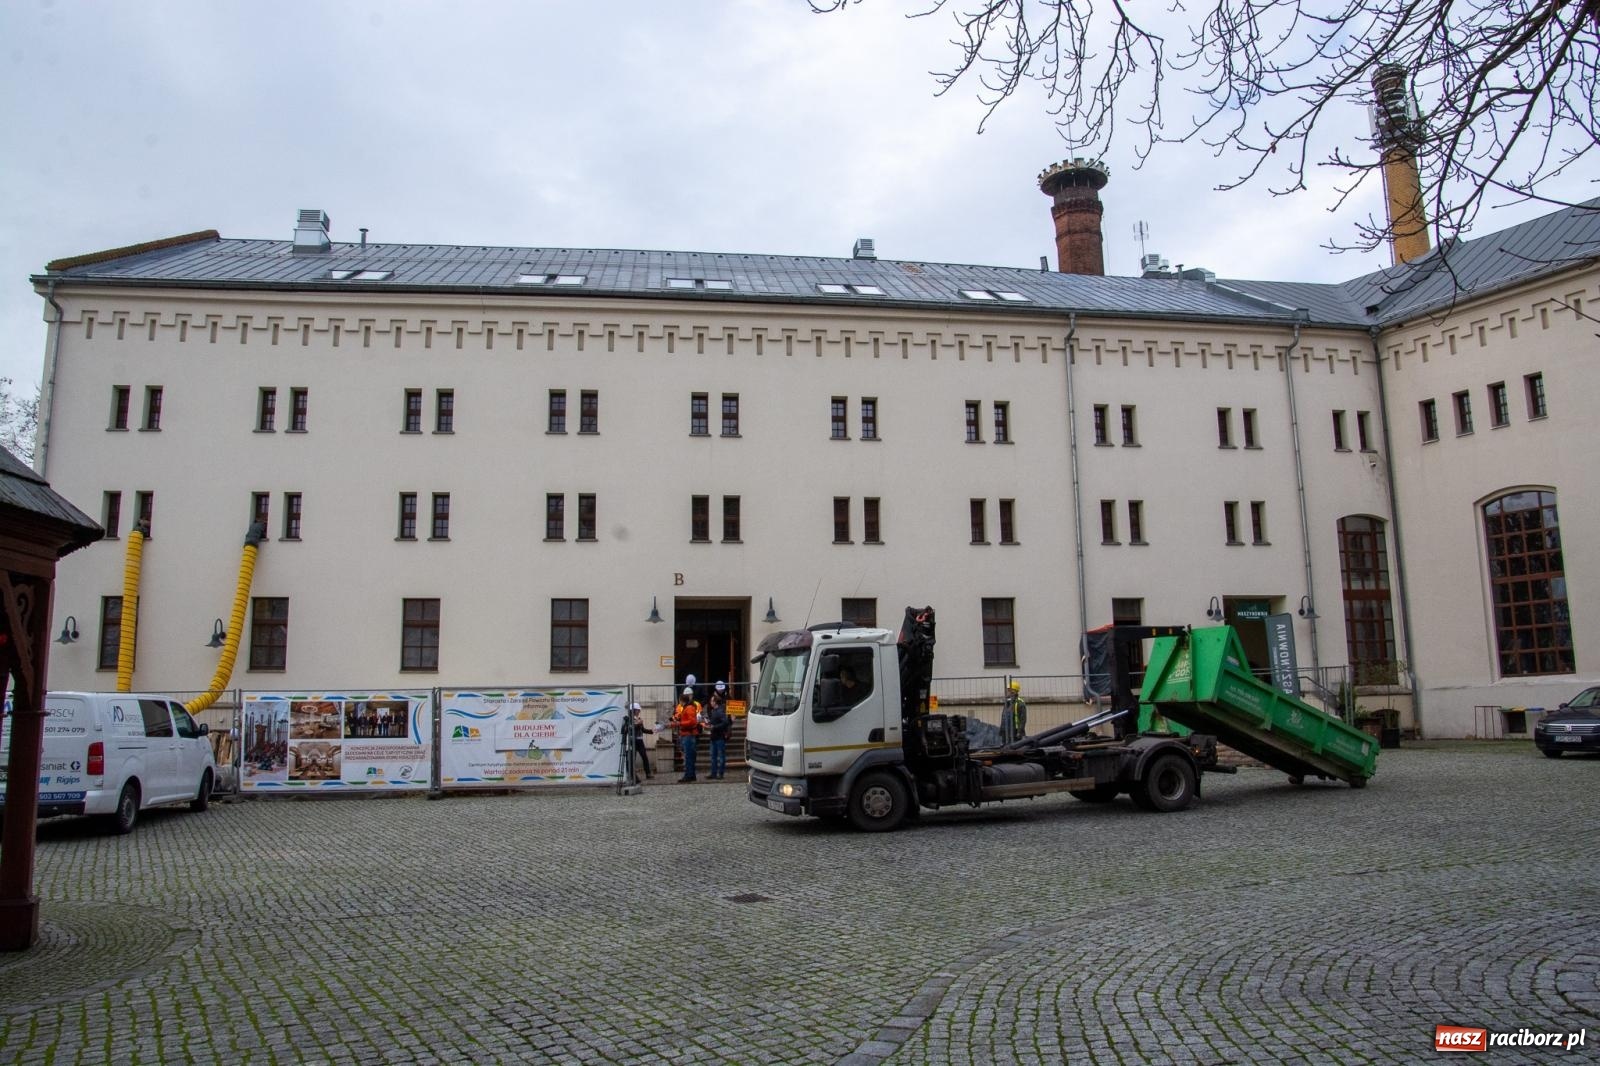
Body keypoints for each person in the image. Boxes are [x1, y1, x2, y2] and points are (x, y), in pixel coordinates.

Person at [672, 687, 703, 782]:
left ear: (682, 700)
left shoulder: (689, 708)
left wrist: (680, 723)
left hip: (688, 735)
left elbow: (692, 722)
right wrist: (678, 719)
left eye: (680, 701)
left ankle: (688, 776)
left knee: (688, 757)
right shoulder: (689, 707)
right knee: (690, 756)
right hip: (688, 734)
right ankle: (691, 775)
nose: (679, 702)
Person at [706, 681, 732, 779]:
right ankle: (714, 773)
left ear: (715, 702)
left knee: (720, 756)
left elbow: (725, 722)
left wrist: (714, 727)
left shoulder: (720, 711)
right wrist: (709, 723)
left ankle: (720, 774)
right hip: (714, 736)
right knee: (713, 756)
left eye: (712, 701)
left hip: (719, 737)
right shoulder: (714, 711)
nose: (710, 702)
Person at [628, 702, 658, 781]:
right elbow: (630, 728)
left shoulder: (639, 719)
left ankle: (648, 774)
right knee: (632, 759)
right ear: (633, 710)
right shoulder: (629, 719)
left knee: (645, 757)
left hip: (640, 741)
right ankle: (632, 776)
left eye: (639, 710)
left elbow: (643, 730)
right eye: (638, 710)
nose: (639, 711)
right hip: (632, 741)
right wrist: (638, 724)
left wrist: (652, 731)